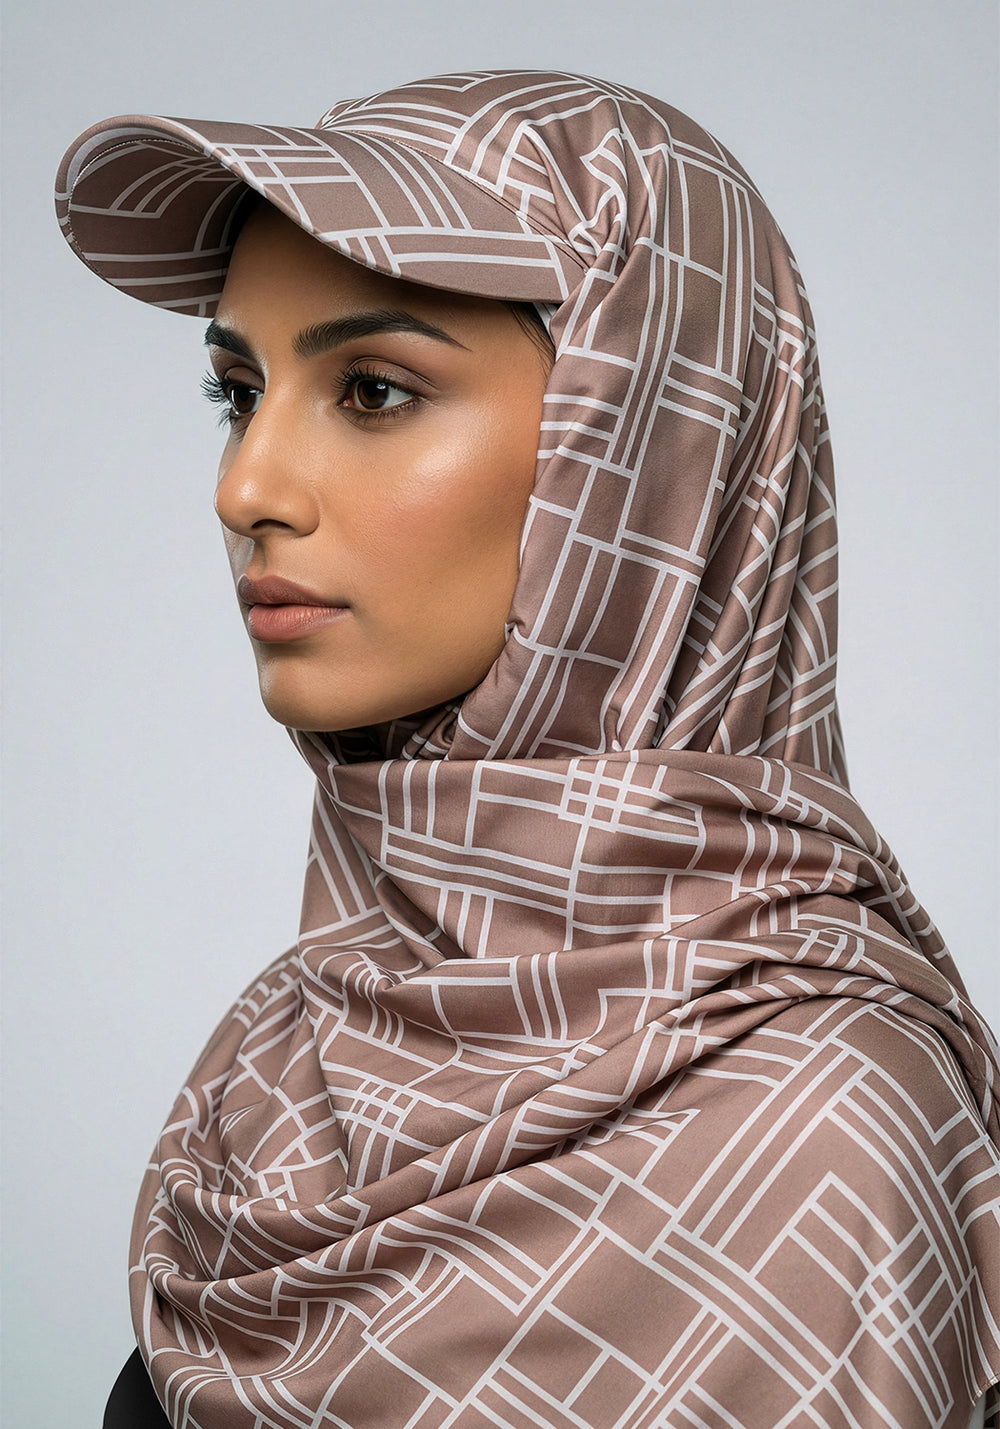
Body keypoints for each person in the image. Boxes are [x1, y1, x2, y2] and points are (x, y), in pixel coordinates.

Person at [56, 71, 999, 1429]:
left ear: (646, 454)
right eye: (237, 392)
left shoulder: (824, 1127)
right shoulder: (279, 1053)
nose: (244, 486)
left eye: (374, 389)